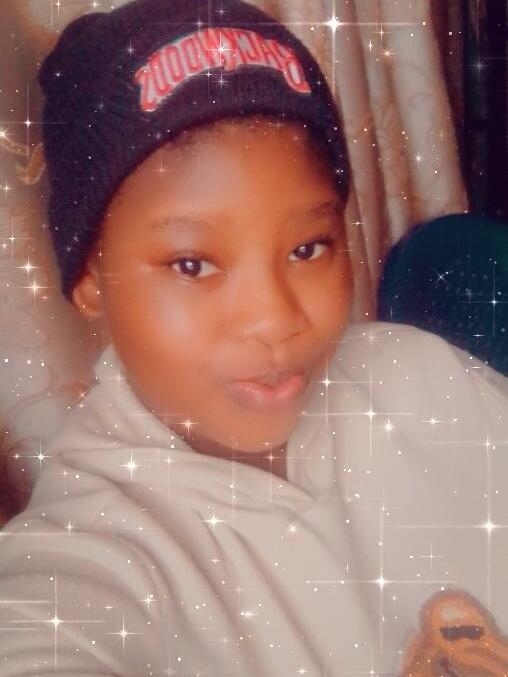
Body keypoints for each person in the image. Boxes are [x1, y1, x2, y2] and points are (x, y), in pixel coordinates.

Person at [1, 0, 508, 675]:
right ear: (91, 276)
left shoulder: (418, 372)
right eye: (192, 264)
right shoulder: (83, 557)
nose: (274, 319)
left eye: (307, 248)